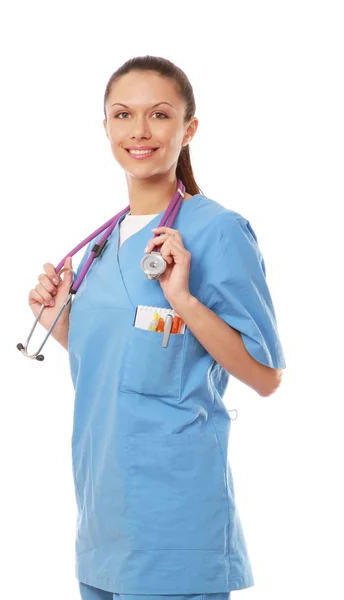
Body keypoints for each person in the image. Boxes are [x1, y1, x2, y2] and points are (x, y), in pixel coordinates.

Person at [28, 55, 286, 600]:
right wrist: (57, 319)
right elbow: (124, 363)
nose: (139, 131)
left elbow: (265, 377)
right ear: (105, 128)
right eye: (122, 115)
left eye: (160, 115)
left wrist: (183, 299)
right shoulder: (100, 247)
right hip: (102, 516)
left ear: (188, 128)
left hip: (176, 521)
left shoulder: (216, 232)